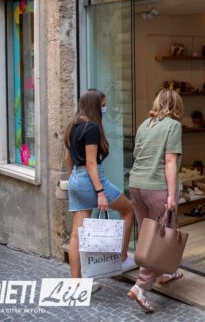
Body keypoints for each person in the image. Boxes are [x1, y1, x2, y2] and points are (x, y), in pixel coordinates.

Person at [64, 89, 136, 290]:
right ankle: (122, 258)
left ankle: (77, 285)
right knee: (128, 210)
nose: (105, 109)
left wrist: (74, 181)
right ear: (94, 106)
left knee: (77, 234)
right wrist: (100, 193)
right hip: (91, 180)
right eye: (103, 105)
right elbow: (91, 163)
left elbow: (68, 159)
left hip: (76, 178)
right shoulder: (92, 128)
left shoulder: (72, 126)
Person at [127, 89, 184, 313]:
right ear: (176, 106)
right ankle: (140, 287)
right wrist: (171, 194)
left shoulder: (144, 125)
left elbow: (136, 155)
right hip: (157, 187)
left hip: (136, 185)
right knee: (159, 240)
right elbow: (170, 160)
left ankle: (166, 272)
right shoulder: (173, 126)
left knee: (147, 236)